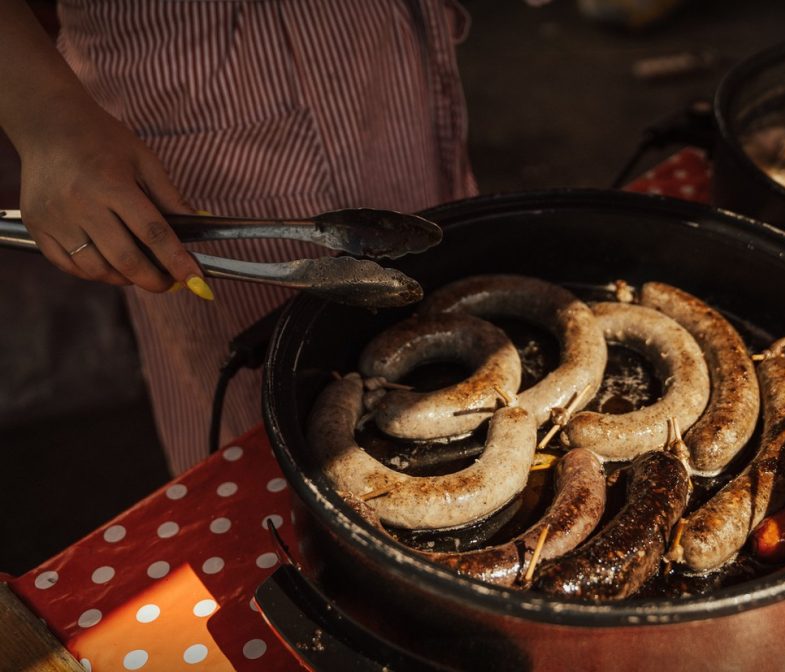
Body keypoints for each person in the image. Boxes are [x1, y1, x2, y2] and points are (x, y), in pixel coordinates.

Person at [0, 0, 476, 474]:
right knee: (260, 439)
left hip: (389, 71)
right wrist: (48, 122)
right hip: (184, 120)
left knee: (439, 288)